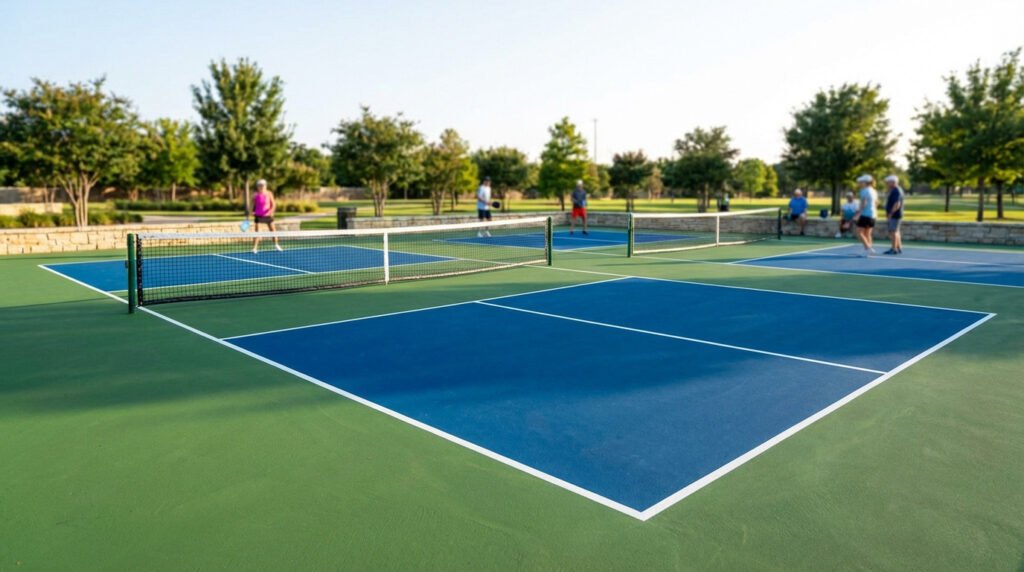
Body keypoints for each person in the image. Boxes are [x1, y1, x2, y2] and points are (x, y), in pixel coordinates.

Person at [251, 179, 282, 254]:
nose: (261, 186)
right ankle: (254, 248)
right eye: (260, 185)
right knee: (257, 232)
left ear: (265, 186)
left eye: (263, 185)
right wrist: (251, 211)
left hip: (268, 215)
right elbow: (252, 205)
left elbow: (273, 204)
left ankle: (276, 245)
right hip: (258, 215)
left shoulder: (269, 193)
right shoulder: (255, 195)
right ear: (257, 186)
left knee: (273, 231)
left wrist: (271, 212)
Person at [854, 174, 878, 256]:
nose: (860, 183)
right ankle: (869, 250)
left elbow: (863, 203)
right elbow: (876, 203)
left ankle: (868, 248)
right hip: (873, 215)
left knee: (859, 232)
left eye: (861, 182)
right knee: (868, 233)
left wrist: (858, 214)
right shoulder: (873, 191)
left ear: (866, 182)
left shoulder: (864, 191)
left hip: (865, 215)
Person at [883, 174, 905, 255]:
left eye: (888, 182)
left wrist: (891, 213)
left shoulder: (896, 190)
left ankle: (894, 248)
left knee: (893, 231)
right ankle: (898, 247)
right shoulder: (896, 190)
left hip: (895, 215)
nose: (887, 184)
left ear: (893, 182)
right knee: (896, 231)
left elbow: (897, 204)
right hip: (896, 214)